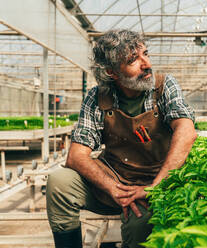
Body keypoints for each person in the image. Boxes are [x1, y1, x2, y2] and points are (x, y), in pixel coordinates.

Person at [46, 29, 197, 248]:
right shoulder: (98, 97)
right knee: (59, 183)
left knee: (140, 226)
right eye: (133, 60)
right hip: (114, 178)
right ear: (112, 72)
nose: (146, 64)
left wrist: (155, 187)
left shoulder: (164, 87)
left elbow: (186, 131)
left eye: (146, 54)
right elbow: (76, 156)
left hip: (157, 178)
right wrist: (113, 188)